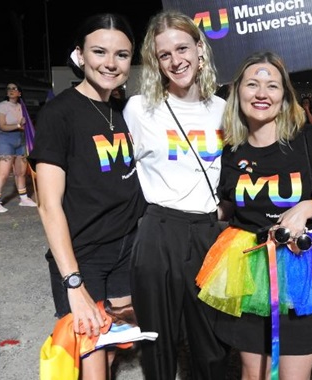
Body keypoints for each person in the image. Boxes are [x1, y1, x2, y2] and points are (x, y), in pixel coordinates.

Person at [195, 51, 312, 379]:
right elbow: (225, 207)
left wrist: (310, 207)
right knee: (254, 375)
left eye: (272, 85)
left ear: (284, 96)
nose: (262, 93)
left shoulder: (308, 140)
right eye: (252, 84)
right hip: (247, 267)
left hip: (299, 268)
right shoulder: (231, 149)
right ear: (238, 93)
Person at [28, 13, 142, 379]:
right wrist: (74, 284)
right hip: (84, 256)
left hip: (127, 252)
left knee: (114, 351)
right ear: (79, 55)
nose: (110, 63)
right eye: (99, 51)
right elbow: (48, 206)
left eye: (121, 55)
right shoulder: (59, 114)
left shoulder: (126, 111)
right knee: (92, 366)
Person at [122, 9, 229, 380]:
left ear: (200, 49)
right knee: (158, 341)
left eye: (182, 48)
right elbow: (123, 175)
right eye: (164, 55)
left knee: (212, 342)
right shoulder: (139, 109)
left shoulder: (225, 111)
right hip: (159, 231)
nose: (176, 61)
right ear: (156, 61)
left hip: (207, 232)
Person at [0, 82, 37, 213]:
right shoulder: (2, 106)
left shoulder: (22, 108)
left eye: (14, 88)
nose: (11, 90)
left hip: (20, 140)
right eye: (9, 88)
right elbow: (2, 125)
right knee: (4, 173)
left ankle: (24, 199)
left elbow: (27, 125)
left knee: (20, 173)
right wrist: (18, 125)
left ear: (19, 93)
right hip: (5, 140)